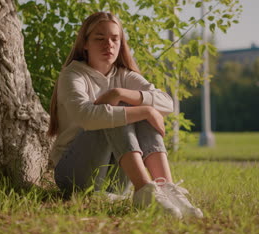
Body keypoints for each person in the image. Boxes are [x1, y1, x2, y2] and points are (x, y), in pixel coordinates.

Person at [48, 12, 203, 219]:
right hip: (75, 173)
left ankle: (166, 188)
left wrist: (119, 92)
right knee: (124, 111)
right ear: (85, 44)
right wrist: (145, 110)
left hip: (117, 177)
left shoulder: (124, 75)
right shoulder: (72, 74)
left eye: (115, 39)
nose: (108, 45)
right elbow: (86, 116)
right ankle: (143, 189)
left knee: (133, 104)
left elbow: (167, 103)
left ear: (121, 43)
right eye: (99, 39)